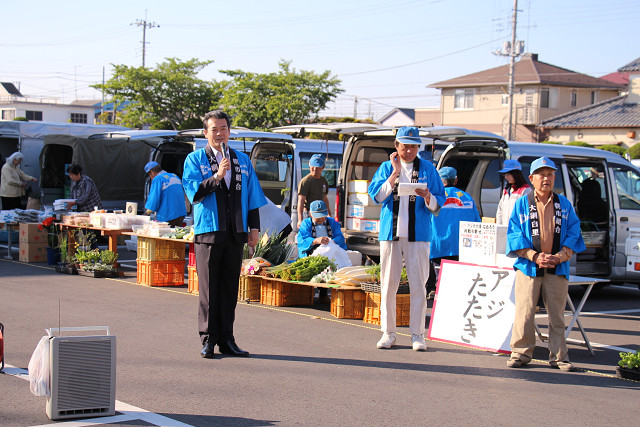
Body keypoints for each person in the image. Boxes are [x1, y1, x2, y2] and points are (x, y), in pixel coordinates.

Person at [182, 110, 267, 359]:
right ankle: (208, 339)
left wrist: (254, 228)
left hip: (235, 231)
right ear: (206, 133)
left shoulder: (242, 160)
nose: (220, 133)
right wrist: (217, 176)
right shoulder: (194, 160)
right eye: (214, 129)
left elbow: (252, 197)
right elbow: (194, 193)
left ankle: (227, 339)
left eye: (223, 128)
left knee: (230, 289)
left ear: (229, 131)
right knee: (210, 290)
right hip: (209, 230)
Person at [368, 126, 445, 351]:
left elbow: (440, 200)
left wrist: (428, 195)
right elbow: (376, 196)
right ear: (396, 146)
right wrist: (393, 175)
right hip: (389, 233)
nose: (409, 150)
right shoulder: (385, 167)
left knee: (419, 286)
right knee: (388, 284)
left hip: (419, 234)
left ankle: (418, 334)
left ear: (418, 147)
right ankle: (388, 332)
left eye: (413, 146)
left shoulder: (428, 168)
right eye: (405, 146)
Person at [506, 157, 586, 372]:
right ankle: (520, 353)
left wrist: (560, 256)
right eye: (541, 175)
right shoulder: (522, 203)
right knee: (525, 311)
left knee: (557, 314)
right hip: (529, 265)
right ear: (532, 179)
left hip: (557, 265)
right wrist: (533, 255)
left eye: (550, 175)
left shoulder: (564, 204)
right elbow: (513, 234)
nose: (546, 179)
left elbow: (574, 232)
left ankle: (559, 357)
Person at [426, 166, 480, 298]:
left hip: (439, 244)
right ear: (455, 180)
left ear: (439, 180)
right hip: (460, 245)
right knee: (457, 278)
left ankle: (440, 298)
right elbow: (477, 222)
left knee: (440, 276)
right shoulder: (467, 197)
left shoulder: (434, 198)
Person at [296, 200, 347, 303]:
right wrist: (315, 241)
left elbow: (339, 237)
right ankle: (312, 293)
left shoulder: (332, 222)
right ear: (311, 214)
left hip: (330, 252)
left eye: (322, 216)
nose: (320, 219)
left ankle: (325, 294)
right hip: (311, 252)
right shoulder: (306, 223)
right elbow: (302, 240)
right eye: (317, 217)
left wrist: (331, 241)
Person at [144, 161, 188, 227]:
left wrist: (147, 212)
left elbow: (154, 199)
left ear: (152, 172)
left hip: (167, 215)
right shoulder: (175, 176)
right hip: (181, 214)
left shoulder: (158, 179)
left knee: (166, 235)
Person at [297, 154, 332, 229]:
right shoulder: (305, 181)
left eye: (317, 167)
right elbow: (301, 200)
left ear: (322, 167)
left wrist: (329, 214)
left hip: (321, 214)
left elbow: (325, 199)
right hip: (308, 213)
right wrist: (300, 219)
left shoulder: (323, 181)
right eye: (312, 167)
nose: (314, 169)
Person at [496, 159, 531, 225]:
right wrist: (499, 226)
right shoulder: (506, 190)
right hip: (504, 229)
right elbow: (500, 211)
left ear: (516, 174)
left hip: (517, 231)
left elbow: (527, 213)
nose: (506, 177)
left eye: (508, 174)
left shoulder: (526, 190)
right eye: (504, 174)